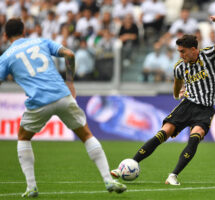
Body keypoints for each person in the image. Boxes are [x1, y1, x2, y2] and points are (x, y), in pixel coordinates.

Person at [0, 18, 126, 197]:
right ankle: (108, 179)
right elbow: (70, 54)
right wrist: (70, 82)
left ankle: (31, 187)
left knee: (23, 137)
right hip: (62, 95)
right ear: (24, 32)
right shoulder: (41, 41)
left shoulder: (5, 57)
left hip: (38, 103)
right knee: (87, 135)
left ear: (5, 36)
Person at [111, 15, 215, 185]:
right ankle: (130, 164)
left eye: (183, 51)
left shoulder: (208, 55)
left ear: (194, 49)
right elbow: (177, 86)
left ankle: (173, 175)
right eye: (179, 51)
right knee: (163, 132)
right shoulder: (180, 67)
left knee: (195, 137)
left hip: (205, 109)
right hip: (187, 105)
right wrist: (177, 93)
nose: (180, 55)